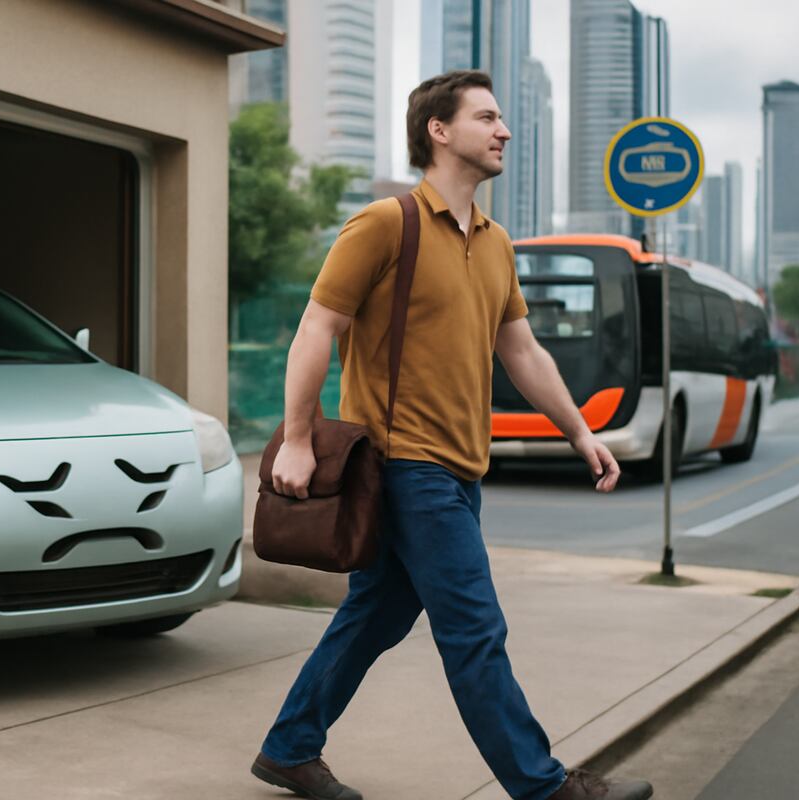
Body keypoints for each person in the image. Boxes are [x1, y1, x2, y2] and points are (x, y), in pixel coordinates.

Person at [249, 71, 653, 800]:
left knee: (375, 615)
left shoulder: (496, 245)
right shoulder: (385, 224)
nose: (503, 131)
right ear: (439, 131)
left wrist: (580, 431)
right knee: (474, 630)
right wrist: (299, 439)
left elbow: (523, 351)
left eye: (502, 120)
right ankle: (545, 787)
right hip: (406, 464)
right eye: (487, 118)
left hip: (463, 469)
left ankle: (288, 747)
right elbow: (318, 326)